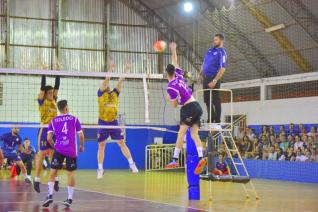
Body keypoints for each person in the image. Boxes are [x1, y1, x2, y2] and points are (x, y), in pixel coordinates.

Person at [164, 42, 205, 175]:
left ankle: (174, 159)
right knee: (194, 134)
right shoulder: (180, 75)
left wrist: (169, 99)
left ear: (166, 74)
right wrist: (174, 49)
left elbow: (175, 105)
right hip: (197, 106)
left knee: (181, 133)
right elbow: (175, 61)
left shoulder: (170, 87)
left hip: (188, 108)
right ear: (173, 72)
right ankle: (201, 157)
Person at [96, 61, 138, 179]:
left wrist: (126, 70)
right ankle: (100, 169)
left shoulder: (114, 94)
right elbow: (106, 80)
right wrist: (111, 69)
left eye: (107, 84)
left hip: (113, 122)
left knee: (121, 143)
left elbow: (120, 81)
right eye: (105, 84)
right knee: (101, 145)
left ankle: (131, 164)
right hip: (103, 122)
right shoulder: (100, 93)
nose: (106, 85)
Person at [42, 100, 84, 208]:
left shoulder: (53, 121)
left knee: (53, 171)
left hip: (59, 149)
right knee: (70, 173)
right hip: (71, 150)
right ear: (66, 108)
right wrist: (81, 146)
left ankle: (50, 195)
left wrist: (55, 146)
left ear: (59, 109)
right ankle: (69, 199)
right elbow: (81, 136)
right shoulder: (74, 119)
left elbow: (48, 138)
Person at [34, 70, 60, 193]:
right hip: (44, 129)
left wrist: (58, 72)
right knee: (42, 154)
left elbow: (57, 86)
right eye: (49, 92)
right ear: (45, 93)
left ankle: (56, 179)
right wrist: (44, 72)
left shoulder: (54, 100)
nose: (51, 94)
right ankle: (37, 180)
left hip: (55, 130)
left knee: (55, 155)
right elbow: (42, 87)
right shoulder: (42, 101)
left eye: (52, 92)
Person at [202, 34, 227, 123]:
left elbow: (223, 69)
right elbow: (204, 63)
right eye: (214, 39)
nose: (214, 41)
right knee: (207, 100)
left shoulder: (222, 52)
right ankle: (211, 117)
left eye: (216, 40)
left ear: (221, 41)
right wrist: (201, 74)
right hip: (205, 78)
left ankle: (217, 119)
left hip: (214, 78)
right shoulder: (209, 50)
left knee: (215, 99)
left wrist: (215, 80)